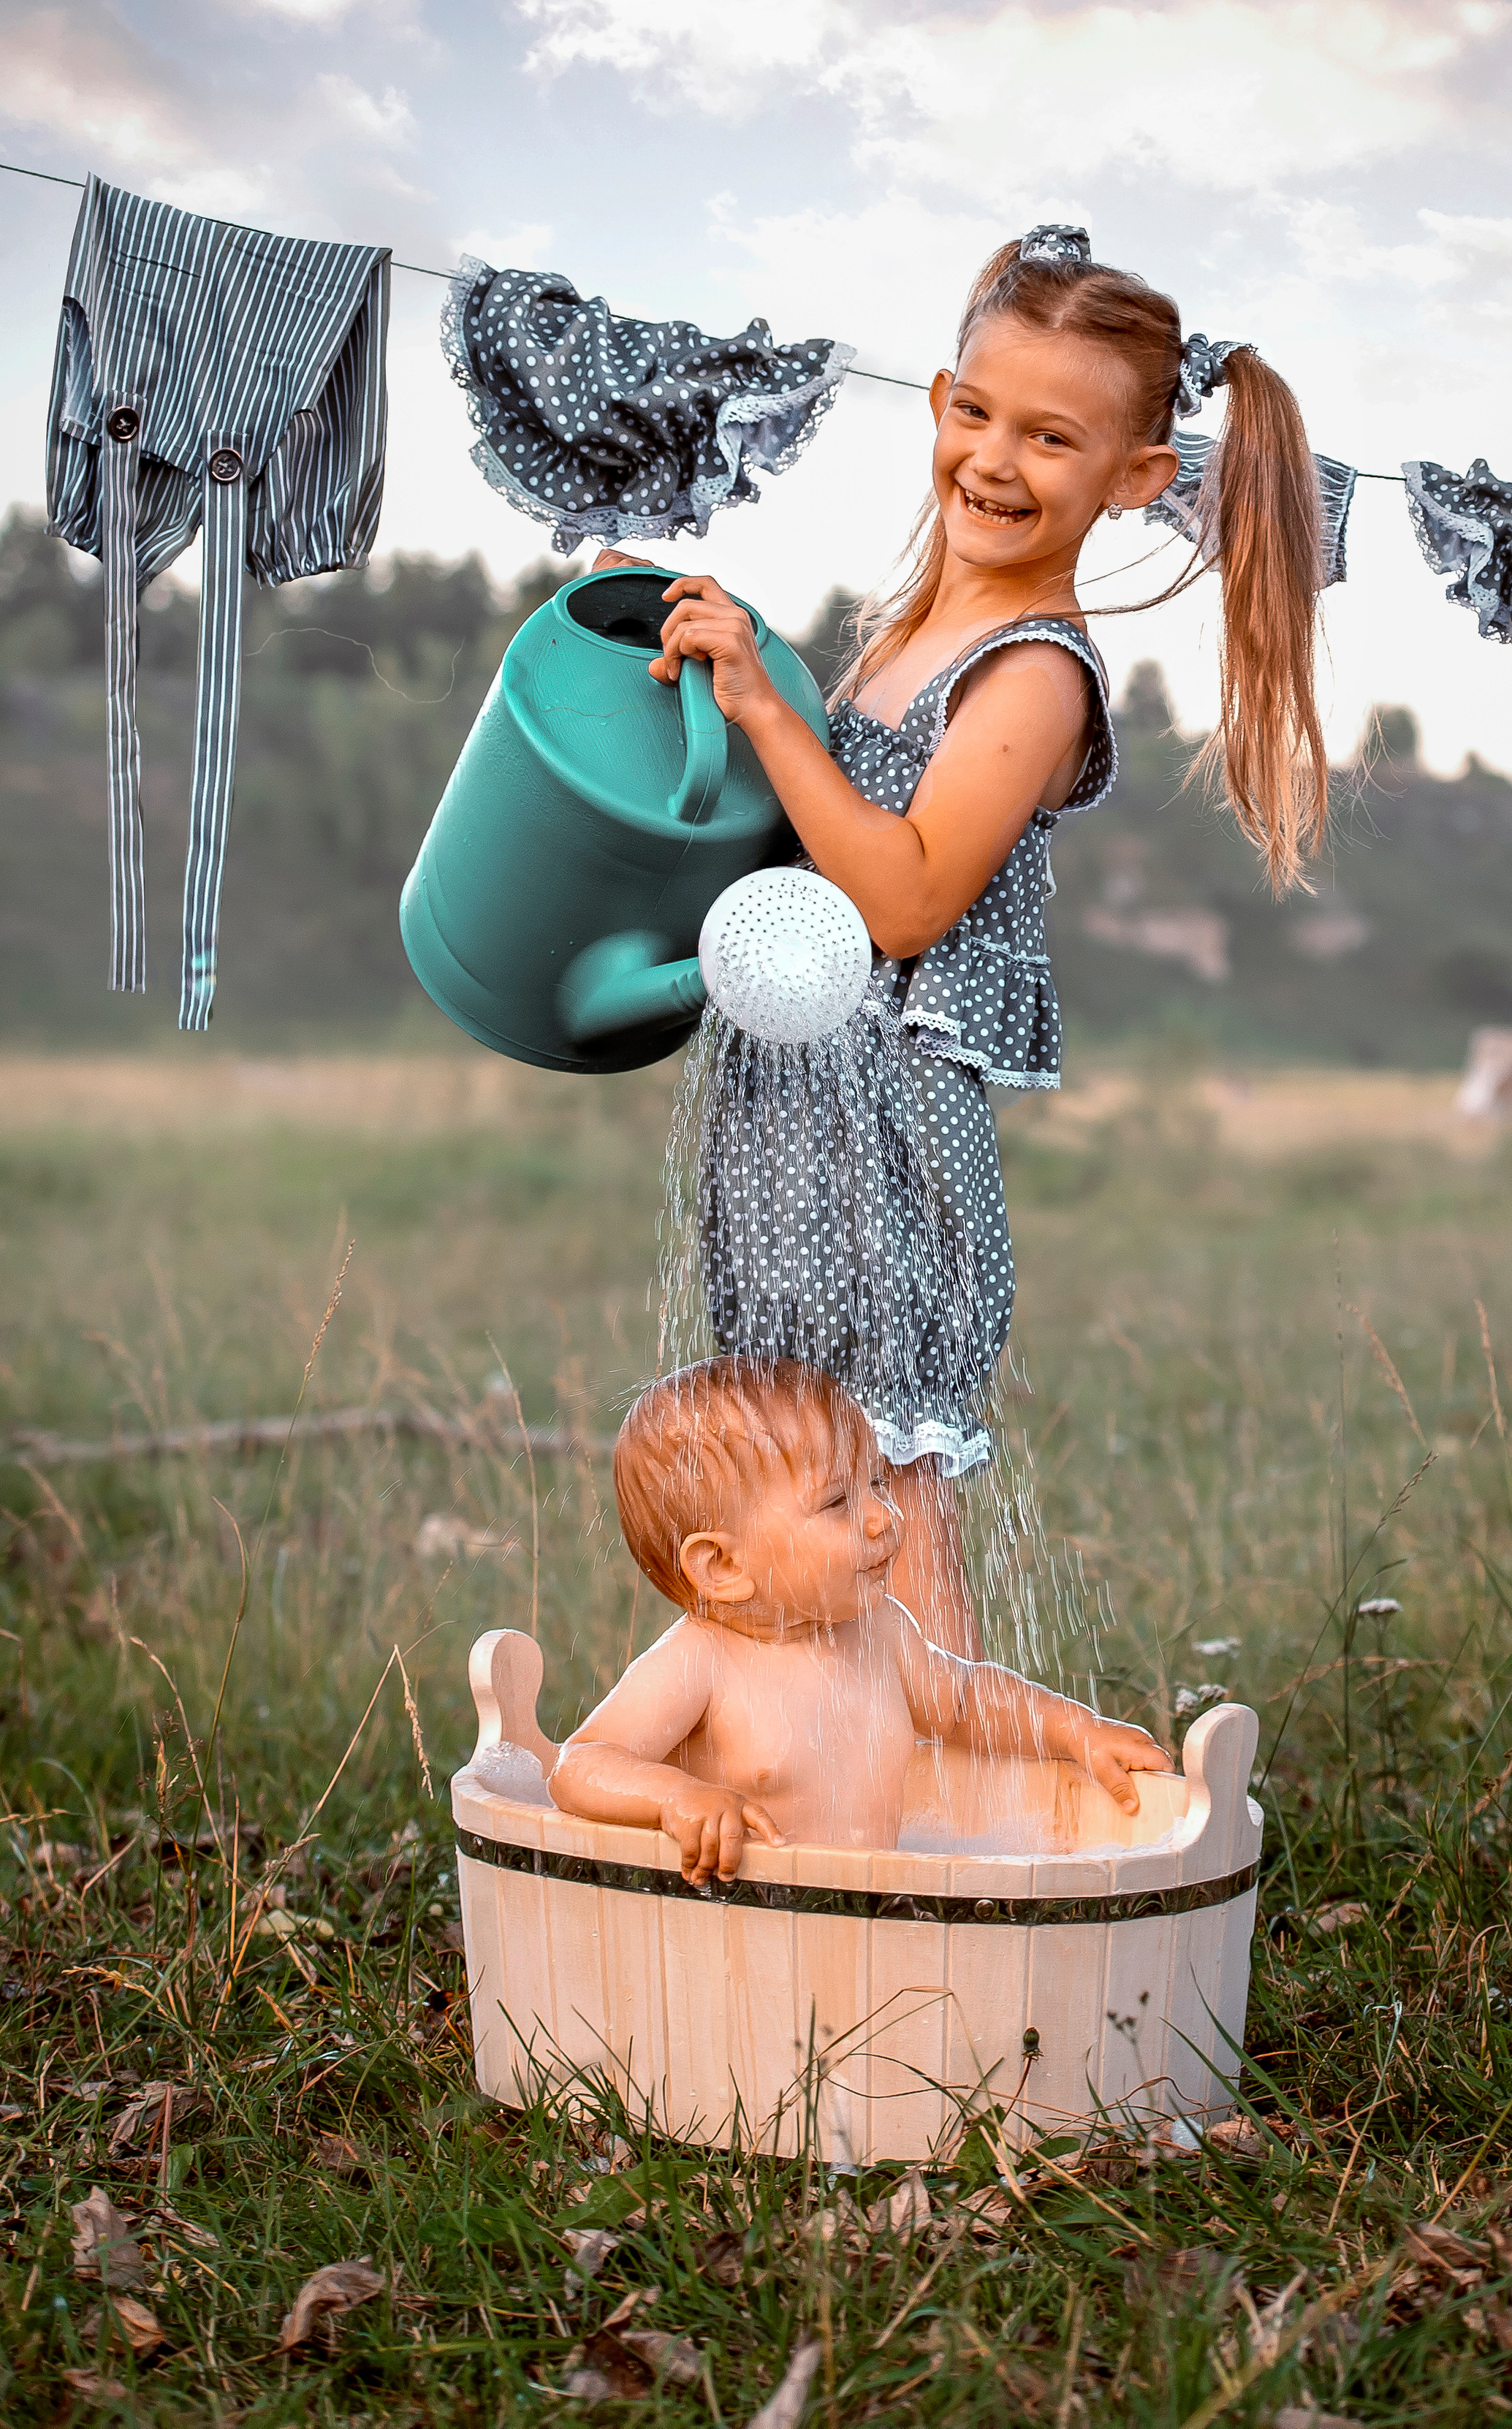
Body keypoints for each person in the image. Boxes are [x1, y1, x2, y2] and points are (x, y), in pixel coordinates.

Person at [602, 227, 1328, 1657]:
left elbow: (908, 897)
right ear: (936, 402)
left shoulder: (1034, 670)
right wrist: (696, 644)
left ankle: (943, 1791)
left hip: (880, 1135)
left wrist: (765, 708)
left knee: (885, 1493)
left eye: (1052, 437)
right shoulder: (909, 630)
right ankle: (820, 1774)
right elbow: (812, 827)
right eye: (980, 413)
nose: (996, 459)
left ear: (1131, 480)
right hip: (788, 1113)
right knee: (784, 1474)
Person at [550, 1358, 1169, 1881]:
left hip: (869, 1921)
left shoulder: (881, 1634)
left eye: (876, 1481)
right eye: (839, 1501)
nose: (882, 1517)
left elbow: (965, 1701)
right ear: (722, 1564)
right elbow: (580, 1765)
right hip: (745, 1932)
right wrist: (675, 1797)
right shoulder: (700, 1662)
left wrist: (1073, 1729)